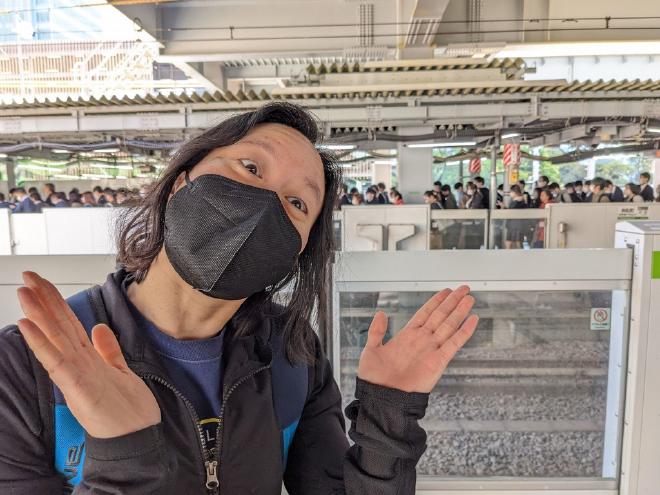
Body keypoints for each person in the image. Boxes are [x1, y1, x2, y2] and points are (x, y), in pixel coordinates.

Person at [0, 103, 479, 493]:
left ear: (295, 254)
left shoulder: (293, 356)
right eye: (251, 167)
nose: (265, 204)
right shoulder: (28, 365)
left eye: (297, 203)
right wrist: (123, 457)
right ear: (178, 185)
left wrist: (388, 414)